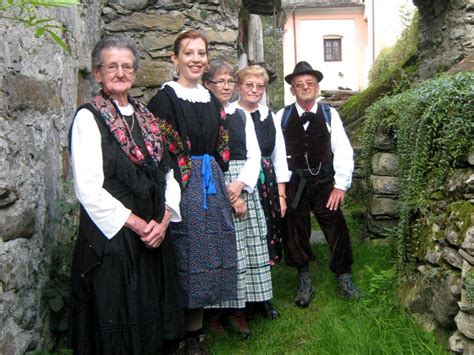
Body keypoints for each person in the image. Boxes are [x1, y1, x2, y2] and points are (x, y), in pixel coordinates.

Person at [69, 34, 184, 354]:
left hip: (153, 236)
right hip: (114, 239)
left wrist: (162, 222)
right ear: (97, 73)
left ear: (134, 72)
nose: (120, 73)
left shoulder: (147, 118)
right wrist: (138, 224)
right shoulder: (88, 118)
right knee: (118, 319)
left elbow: (168, 173)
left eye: (127, 66)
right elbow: (88, 188)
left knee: (150, 314)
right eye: (112, 66)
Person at [147, 31, 237, 354]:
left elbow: (220, 146)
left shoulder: (212, 100)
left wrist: (222, 183)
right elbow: (160, 151)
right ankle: (175, 334)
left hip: (209, 184)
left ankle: (196, 333)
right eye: (189, 53)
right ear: (175, 59)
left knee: (207, 252)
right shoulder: (164, 100)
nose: (196, 59)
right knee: (183, 253)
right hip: (180, 185)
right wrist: (175, 193)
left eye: (201, 53)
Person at [276, 61, 361, 308]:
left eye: (309, 83)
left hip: (325, 181)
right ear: (292, 90)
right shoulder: (281, 116)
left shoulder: (328, 113)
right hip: (295, 182)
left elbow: (343, 151)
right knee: (294, 228)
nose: (305, 88)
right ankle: (304, 279)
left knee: (336, 226)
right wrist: (282, 189)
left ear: (317, 87)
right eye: (299, 84)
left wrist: (340, 185)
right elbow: (278, 154)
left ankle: (344, 278)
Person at [202, 60, 270, 339]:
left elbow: (255, 155)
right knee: (220, 250)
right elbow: (203, 157)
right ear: (208, 84)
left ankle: (239, 310)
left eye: (231, 81)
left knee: (245, 248)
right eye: (221, 81)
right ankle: (216, 312)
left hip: (242, 181)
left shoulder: (240, 115)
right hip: (214, 182)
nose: (227, 86)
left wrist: (241, 185)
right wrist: (228, 193)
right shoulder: (203, 114)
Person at [234, 65, 291, 319]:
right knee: (245, 240)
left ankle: (264, 298)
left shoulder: (270, 116)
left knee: (265, 237)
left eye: (260, 86)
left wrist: (281, 195)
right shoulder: (230, 114)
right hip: (242, 182)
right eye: (250, 85)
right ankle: (242, 302)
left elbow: (279, 157)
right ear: (239, 86)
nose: (255, 90)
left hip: (267, 183)